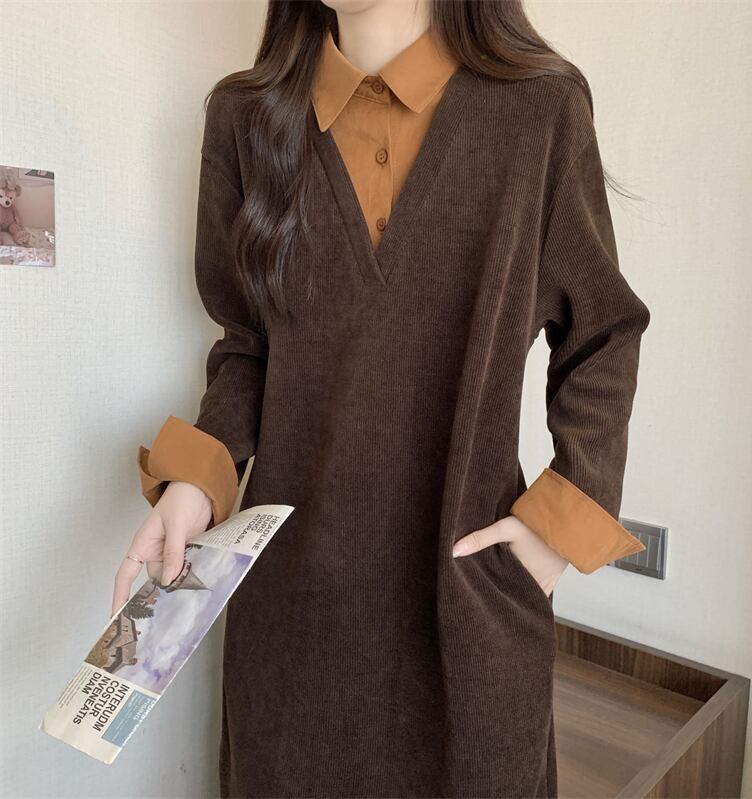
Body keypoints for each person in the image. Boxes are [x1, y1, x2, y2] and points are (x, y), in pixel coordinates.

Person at [112, 0, 651, 796]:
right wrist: (196, 480)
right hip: (293, 619)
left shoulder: (540, 111)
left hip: (468, 609)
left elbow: (604, 331)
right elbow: (249, 344)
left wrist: (559, 526)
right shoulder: (246, 117)